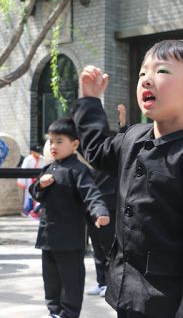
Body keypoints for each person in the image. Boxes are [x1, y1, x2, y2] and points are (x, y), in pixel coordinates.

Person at [72, 40, 183, 318]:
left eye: (162, 71)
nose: (146, 80)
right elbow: (96, 150)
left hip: (166, 302)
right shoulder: (132, 137)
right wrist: (89, 101)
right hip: (125, 293)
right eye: (143, 73)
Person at [29, 118, 110, 318]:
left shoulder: (79, 170)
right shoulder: (49, 169)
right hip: (48, 237)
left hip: (69, 239)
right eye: (51, 141)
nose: (53, 146)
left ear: (74, 144)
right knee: (51, 280)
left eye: (59, 141)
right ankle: (54, 311)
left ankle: (69, 314)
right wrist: (40, 185)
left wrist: (100, 212)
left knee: (71, 280)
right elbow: (35, 193)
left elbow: (91, 193)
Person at [86, 104, 128, 297]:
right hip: (93, 209)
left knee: (111, 248)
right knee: (97, 248)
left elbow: (124, 142)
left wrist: (123, 125)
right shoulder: (92, 157)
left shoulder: (114, 155)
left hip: (111, 208)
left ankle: (112, 284)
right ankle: (101, 282)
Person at [17, 143, 45, 218]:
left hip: (39, 181)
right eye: (36, 151)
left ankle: (36, 211)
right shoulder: (28, 159)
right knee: (28, 196)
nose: (38, 153)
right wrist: (22, 182)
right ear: (32, 151)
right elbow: (23, 171)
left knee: (38, 196)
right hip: (29, 181)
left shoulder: (43, 159)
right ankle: (27, 211)